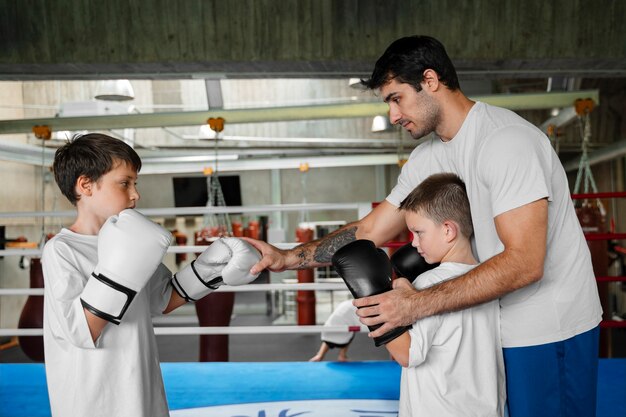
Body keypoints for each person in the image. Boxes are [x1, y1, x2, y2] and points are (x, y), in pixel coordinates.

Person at [245, 35, 602, 417]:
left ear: (430, 81)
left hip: (549, 326)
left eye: (396, 98)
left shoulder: (505, 142)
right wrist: (287, 258)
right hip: (494, 324)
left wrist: (415, 305)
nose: (394, 116)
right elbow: (369, 231)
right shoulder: (427, 158)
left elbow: (526, 262)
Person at [42, 133, 262, 417]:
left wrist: (209, 267)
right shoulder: (61, 249)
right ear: (85, 185)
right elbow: (80, 330)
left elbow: (161, 299)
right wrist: (119, 271)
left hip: (141, 387)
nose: (135, 194)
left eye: (135, 183)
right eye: (124, 183)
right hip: (93, 399)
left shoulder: (130, 239)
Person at [333, 173, 505, 416]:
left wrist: (372, 297)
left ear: (448, 230)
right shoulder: (488, 280)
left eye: (418, 232)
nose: (413, 243)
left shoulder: (429, 284)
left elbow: (406, 354)